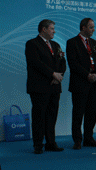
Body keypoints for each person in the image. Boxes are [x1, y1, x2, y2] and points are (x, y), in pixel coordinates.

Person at [25, 19, 66, 154]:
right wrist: (52, 74)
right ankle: (38, 144)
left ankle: (51, 143)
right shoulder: (32, 44)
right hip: (39, 87)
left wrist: (59, 76)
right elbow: (36, 63)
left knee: (52, 116)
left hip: (54, 86)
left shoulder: (55, 45)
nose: (54, 31)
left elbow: (62, 61)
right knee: (39, 116)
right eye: (52, 29)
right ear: (43, 29)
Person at [66, 18, 96, 149]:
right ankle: (77, 140)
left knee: (92, 113)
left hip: (93, 83)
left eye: (93, 27)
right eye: (91, 27)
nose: (93, 30)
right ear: (83, 28)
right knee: (78, 113)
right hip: (80, 83)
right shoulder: (72, 42)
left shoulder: (94, 43)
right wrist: (87, 75)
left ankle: (89, 138)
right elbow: (73, 63)